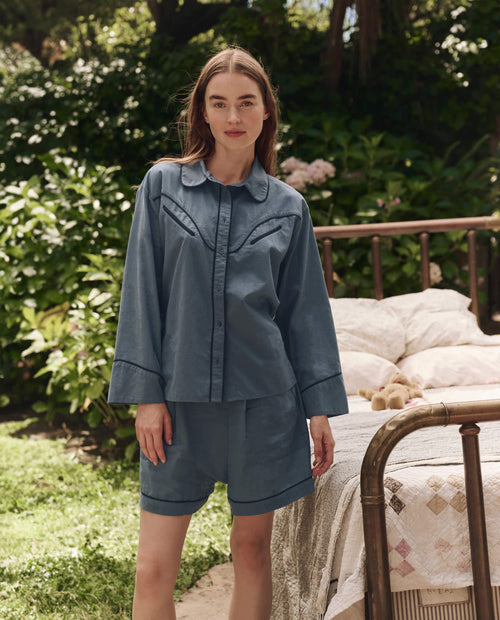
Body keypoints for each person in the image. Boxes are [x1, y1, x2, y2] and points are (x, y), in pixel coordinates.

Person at [108, 46, 348, 620]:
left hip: (264, 405)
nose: (233, 116)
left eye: (246, 102)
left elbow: (304, 314)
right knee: (153, 569)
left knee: (252, 552)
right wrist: (147, 397)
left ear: (266, 112)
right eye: (219, 103)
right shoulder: (162, 187)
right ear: (202, 112)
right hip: (177, 408)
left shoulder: (289, 207)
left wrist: (318, 408)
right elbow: (141, 295)